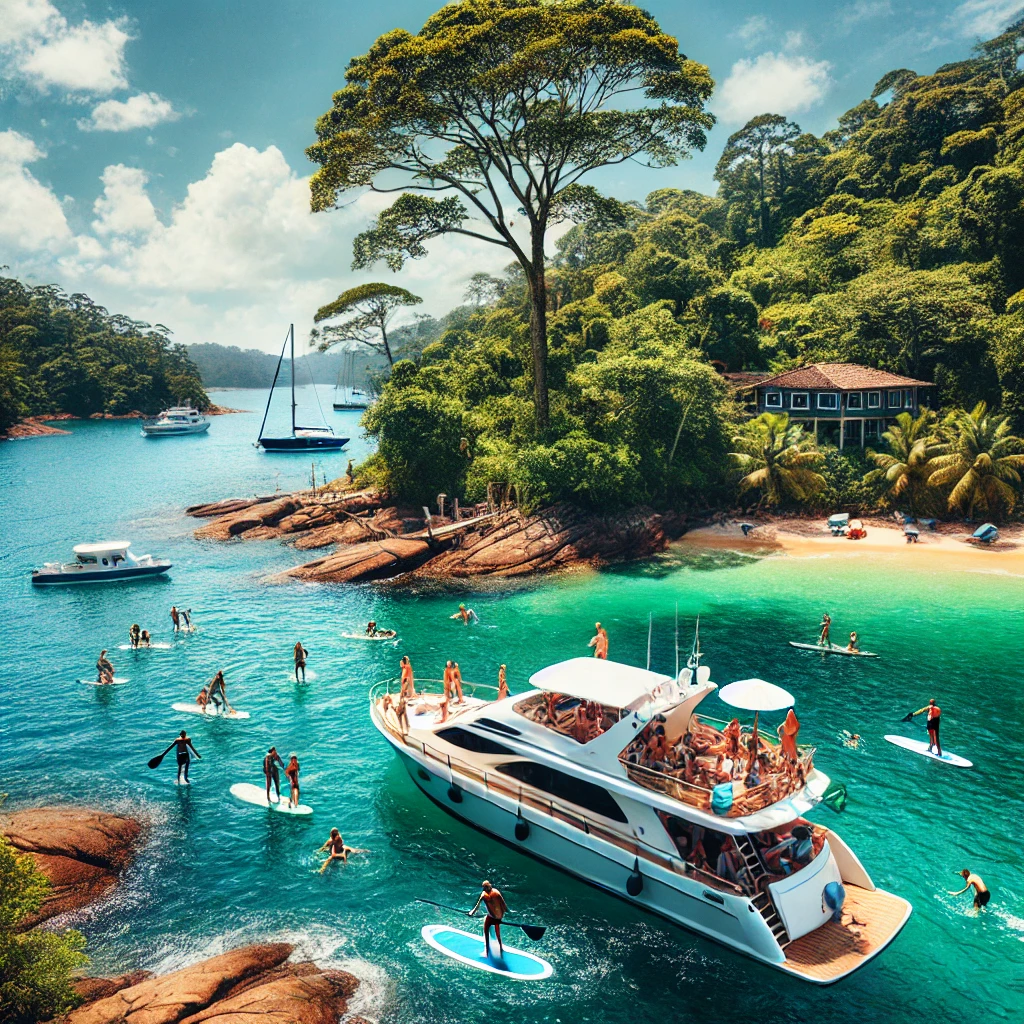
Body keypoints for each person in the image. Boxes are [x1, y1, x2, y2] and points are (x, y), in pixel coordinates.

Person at [469, 880, 508, 959]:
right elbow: (504, 906)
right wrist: (503, 916)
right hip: (498, 918)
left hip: (492, 918)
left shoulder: (486, 894)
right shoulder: (496, 892)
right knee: (496, 932)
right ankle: (498, 948)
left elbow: (477, 906)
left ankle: (487, 952)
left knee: (487, 931)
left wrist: (471, 913)